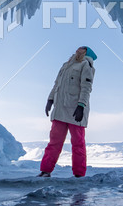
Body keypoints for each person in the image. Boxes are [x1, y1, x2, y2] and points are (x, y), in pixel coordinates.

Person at [37, 46, 97, 178]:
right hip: (60, 110)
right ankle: (45, 171)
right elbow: (57, 84)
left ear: (87, 53)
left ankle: (79, 174)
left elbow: (86, 87)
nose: (78, 50)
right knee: (54, 142)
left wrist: (81, 105)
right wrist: (50, 100)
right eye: (78, 49)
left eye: (82, 50)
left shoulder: (86, 65)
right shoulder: (66, 65)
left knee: (78, 143)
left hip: (75, 110)